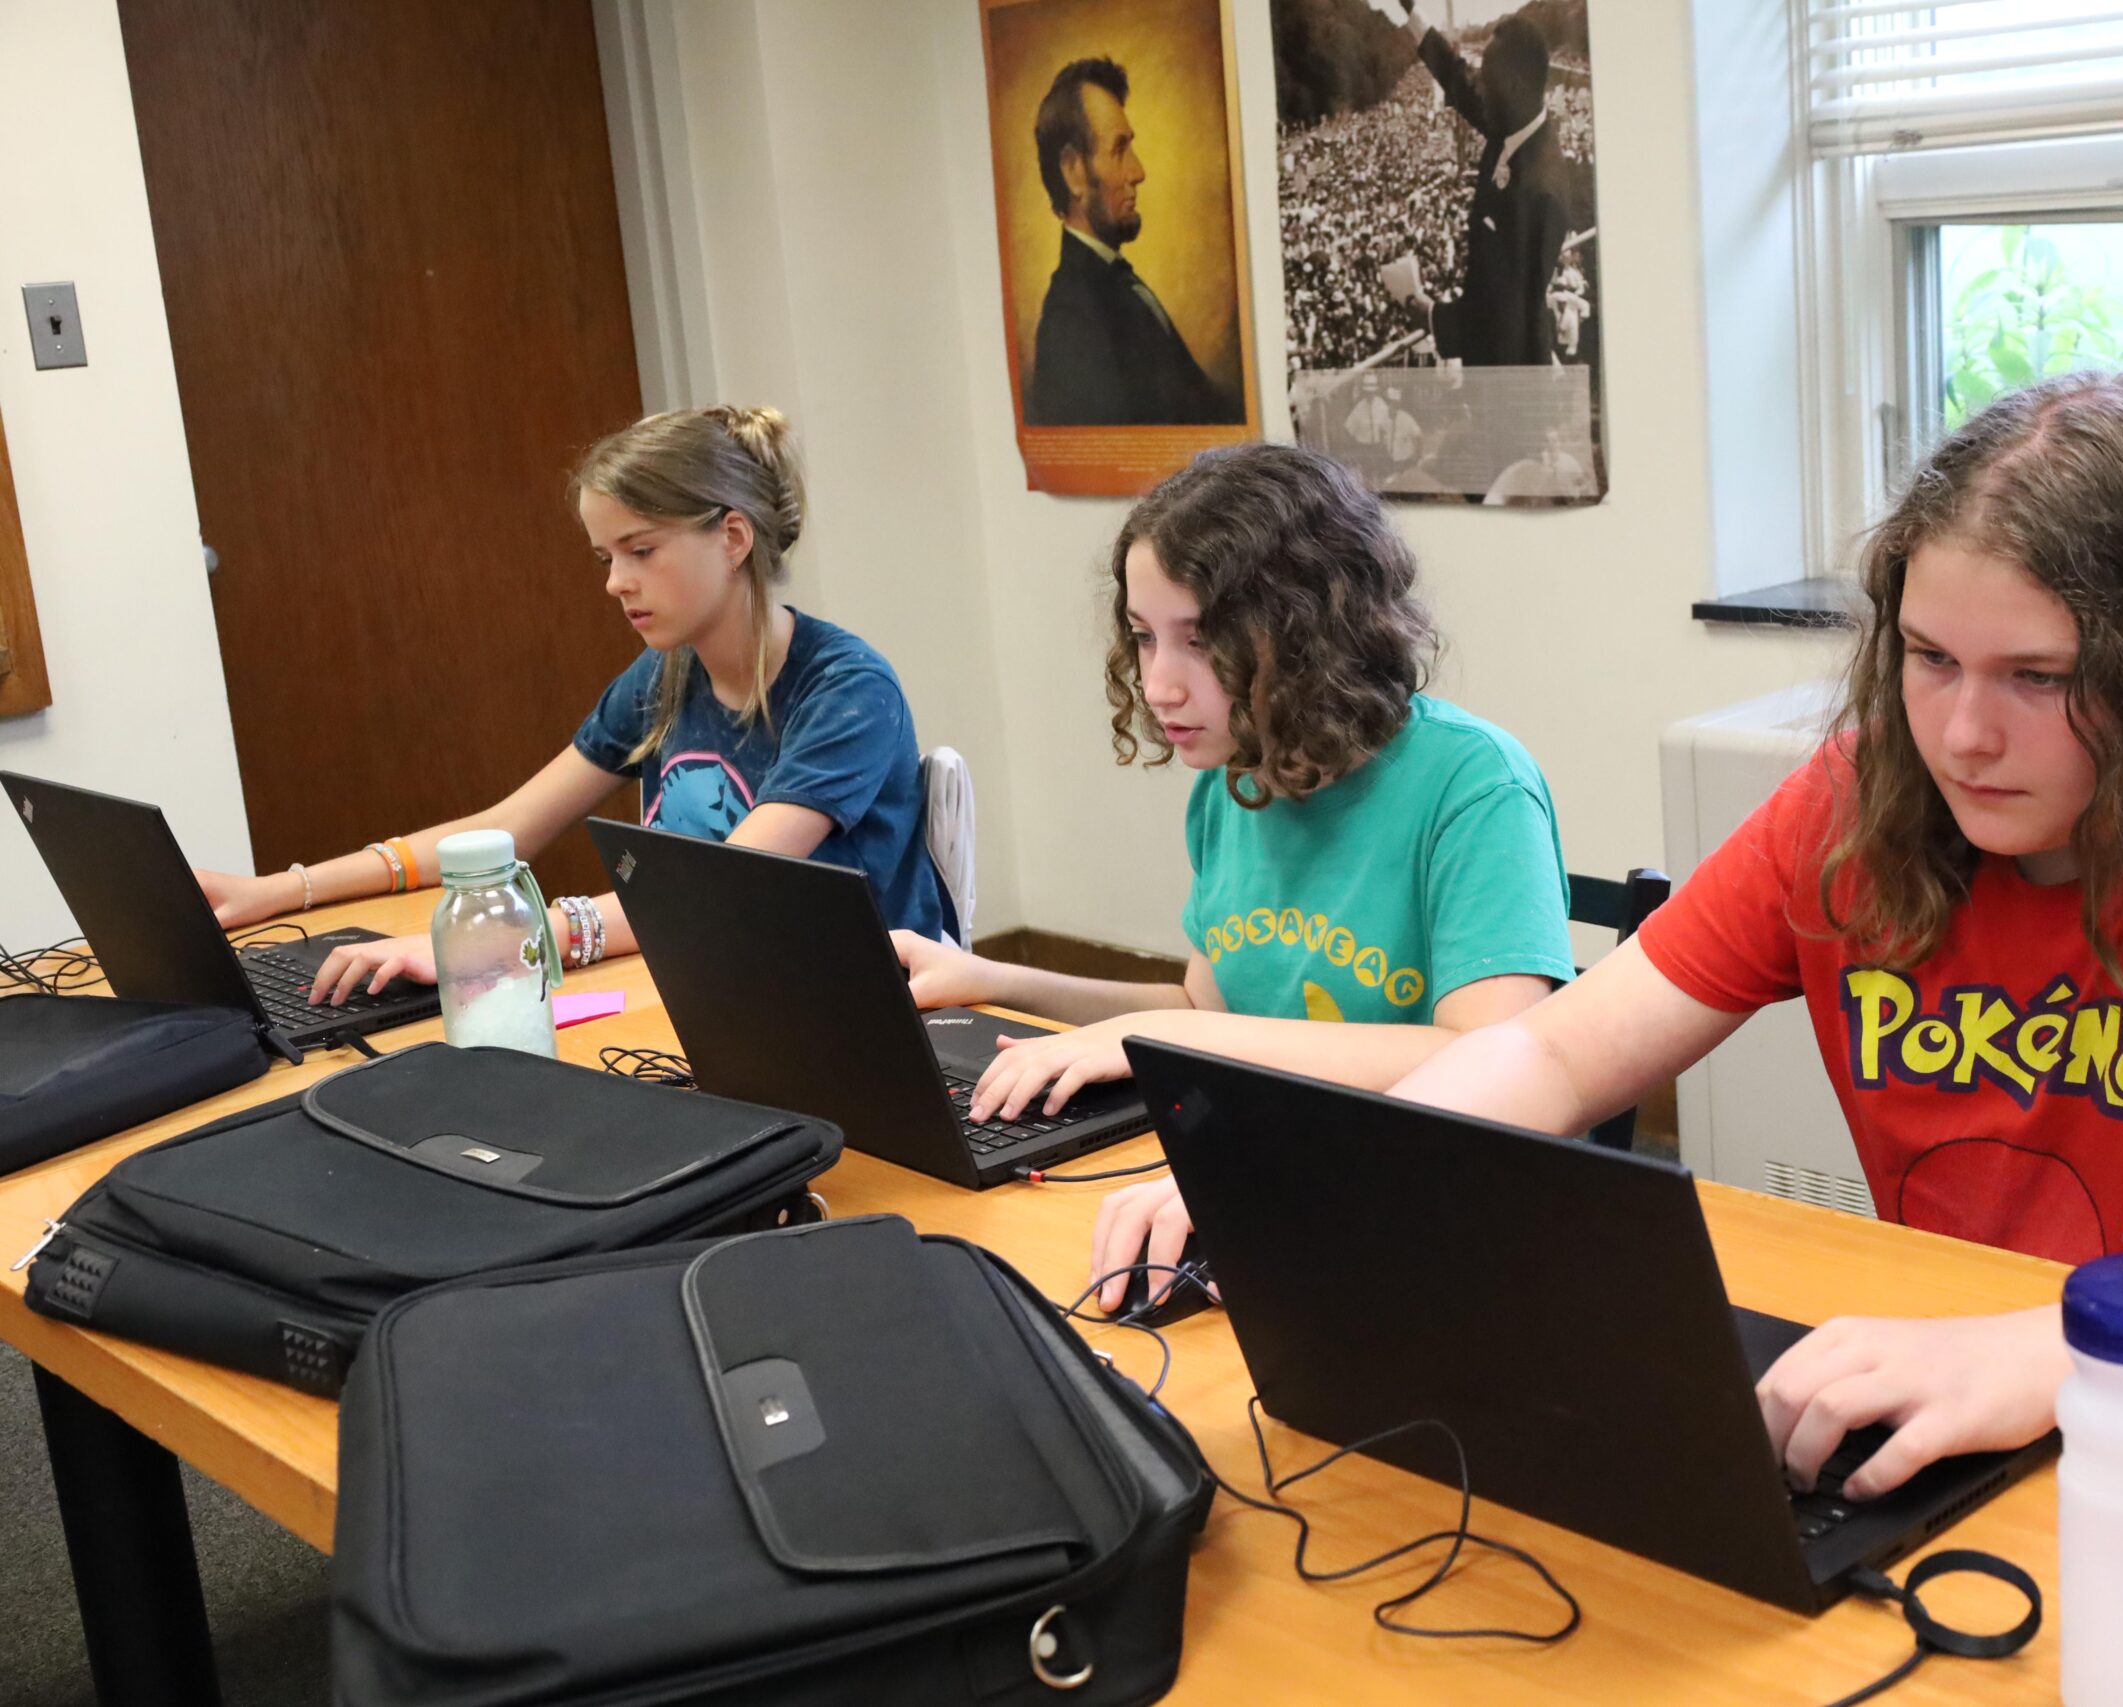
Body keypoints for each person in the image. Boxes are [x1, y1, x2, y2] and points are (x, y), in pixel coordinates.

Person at [1385, 370, 2123, 1501]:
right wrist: (1350, 1181)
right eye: (1930, 659)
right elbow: (1553, 1053)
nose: (1960, 737)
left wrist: (2054, 1353)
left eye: (2039, 678)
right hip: (1986, 1416)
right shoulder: (1858, 799)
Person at [893, 443, 1574, 1302]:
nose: (1158, 686)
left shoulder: (1473, 785)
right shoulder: (1238, 779)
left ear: (1311, 632)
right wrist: (991, 978)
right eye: (1144, 637)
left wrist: (1171, 1036)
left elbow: (1485, 1055)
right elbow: (1202, 1011)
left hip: (1437, 1202)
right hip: (1283, 1166)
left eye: (1200, 640)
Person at [196, 405, 953, 998]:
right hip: (718, 987)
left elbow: (719, 887)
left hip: (857, 1009)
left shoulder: (847, 691)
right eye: (606, 557)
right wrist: (281, 890)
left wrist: (487, 943)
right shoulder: (664, 676)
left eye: (641, 550)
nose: (616, 582)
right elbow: (506, 828)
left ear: (732, 538)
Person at [1023, 57, 1240, 428]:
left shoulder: (1114, 285)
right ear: (1073, 171)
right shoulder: (1071, 324)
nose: (1138, 172)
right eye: (1119, 149)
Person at [1384, 5, 1570, 367]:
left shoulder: (1540, 192)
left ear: (1513, 87)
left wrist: (1430, 315)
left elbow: (1503, 321)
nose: (1478, 88)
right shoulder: (1517, 123)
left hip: (1509, 372)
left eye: (1487, 80)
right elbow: (1459, 80)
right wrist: (1411, 11)